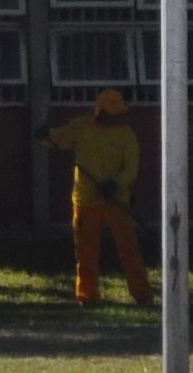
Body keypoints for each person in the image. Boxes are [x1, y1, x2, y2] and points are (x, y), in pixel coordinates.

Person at [45, 84, 151, 305]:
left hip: (116, 200)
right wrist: (44, 135)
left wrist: (116, 183)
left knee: (129, 249)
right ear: (100, 112)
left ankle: (142, 295)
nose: (119, 118)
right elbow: (58, 139)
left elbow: (132, 166)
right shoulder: (81, 127)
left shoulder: (126, 134)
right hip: (86, 200)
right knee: (86, 252)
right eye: (114, 114)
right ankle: (87, 296)